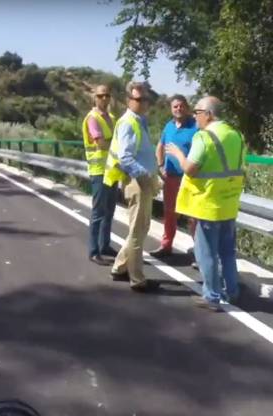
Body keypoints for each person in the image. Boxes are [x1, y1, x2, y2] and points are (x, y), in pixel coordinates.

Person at [166, 96, 246, 311]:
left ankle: (211, 296)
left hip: (208, 204)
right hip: (229, 203)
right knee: (228, 252)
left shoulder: (204, 137)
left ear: (208, 114)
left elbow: (190, 168)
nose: (195, 116)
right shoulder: (236, 135)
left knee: (207, 253)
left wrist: (178, 155)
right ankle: (232, 291)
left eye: (198, 112)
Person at [104, 81, 161, 292]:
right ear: (129, 100)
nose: (144, 102)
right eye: (139, 99)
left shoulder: (139, 120)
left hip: (143, 181)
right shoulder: (129, 122)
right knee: (138, 232)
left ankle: (119, 267)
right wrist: (144, 175)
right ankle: (137, 279)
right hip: (138, 183)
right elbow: (125, 157)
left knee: (140, 228)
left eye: (146, 98)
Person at [149, 95, 198, 259]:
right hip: (170, 177)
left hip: (190, 178)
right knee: (169, 212)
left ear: (187, 107)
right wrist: (161, 165)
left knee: (193, 216)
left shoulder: (195, 127)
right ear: (171, 109)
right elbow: (160, 147)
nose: (178, 109)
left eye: (181, 106)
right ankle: (166, 245)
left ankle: (198, 251)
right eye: (175, 106)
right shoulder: (168, 126)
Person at [82, 85, 118, 265]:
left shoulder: (111, 118)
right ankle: (94, 251)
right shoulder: (92, 118)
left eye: (107, 95)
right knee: (98, 212)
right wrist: (118, 144)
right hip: (98, 172)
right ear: (94, 98)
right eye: (100, 96)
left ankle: (105, 245)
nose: (104, 98)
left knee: (110, 211)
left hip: (111, 170)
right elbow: (101, 144)